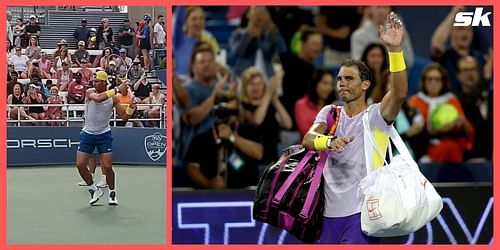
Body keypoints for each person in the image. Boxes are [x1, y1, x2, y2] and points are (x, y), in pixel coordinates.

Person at [302, 12, 408, 244]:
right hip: (326, 216)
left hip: (362, 215)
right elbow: (308, 139)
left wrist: (395, 50)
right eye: (340, 79)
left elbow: (399, 93)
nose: (342, 84)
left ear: (365, 84)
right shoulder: (330, 113)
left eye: (349, 79)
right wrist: (329, 142)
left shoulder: (376, 115)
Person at [76, 70, 137, 205]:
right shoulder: (90, 92)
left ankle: (112, 192)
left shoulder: (114, 99)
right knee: (80, 165)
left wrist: (131, 109)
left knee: (107, 167)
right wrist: (117, 89)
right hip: (87, 134)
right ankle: (93, 190)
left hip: (104, 134)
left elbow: (124, 117)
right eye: (94, 81)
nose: (95, 83)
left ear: (104, 83)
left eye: (98, 81)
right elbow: (98, 99)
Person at [185, 99, 264, 189]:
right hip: (210, 194)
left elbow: (258, 153)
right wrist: (209, 184)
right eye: (224, 111)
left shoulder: (249, 131)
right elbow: (191, 168)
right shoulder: (202, 138)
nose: (228, 115)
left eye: (232, 111)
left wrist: (232, 137)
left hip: (243, 193)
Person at [295, 69, 337, 140]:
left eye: (331, 84)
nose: (328, 88)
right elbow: (306, 132)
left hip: (331, 148)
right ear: (315, 83)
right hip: (309, 148)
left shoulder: (334, 106)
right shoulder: (301, 104)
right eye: (325, 83)